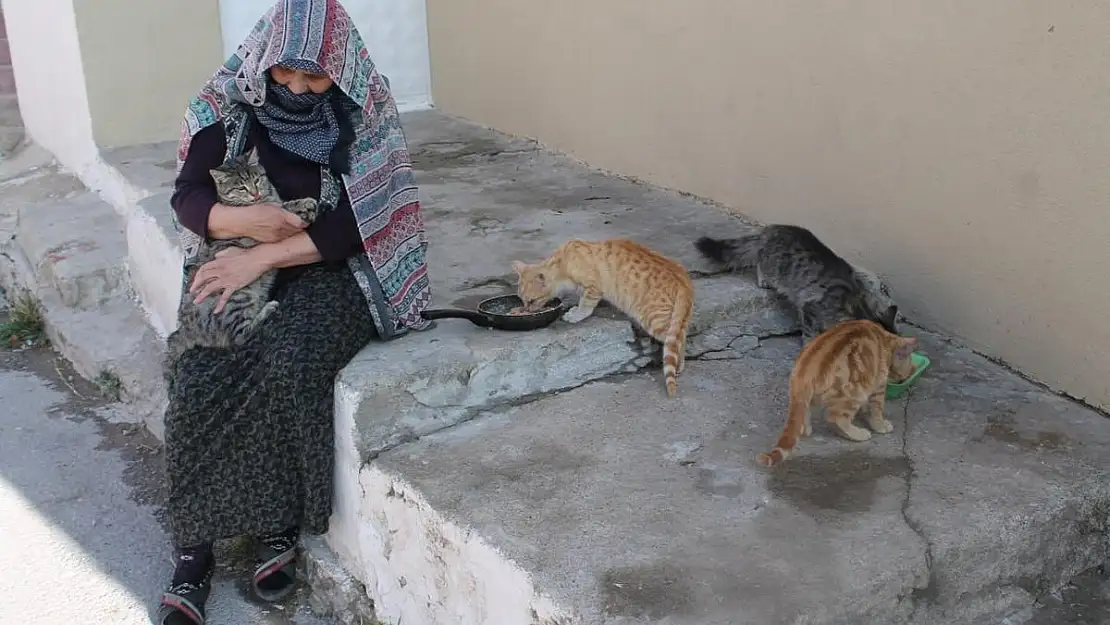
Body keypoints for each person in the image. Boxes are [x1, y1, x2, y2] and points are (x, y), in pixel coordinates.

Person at [156, 1, 433, 623]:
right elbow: (188, 196)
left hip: (331, 269)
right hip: (234, 254)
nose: (300, 90)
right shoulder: (225, 106)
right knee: (200, 374)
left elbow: (362, 224)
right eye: (287, 76)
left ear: (340, 69)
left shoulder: (365, 113)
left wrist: (268, 257)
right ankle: (194, 549)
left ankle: (278, 524)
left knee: (293, 358)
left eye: (315, 78)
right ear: (266, 61)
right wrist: (240, 226)